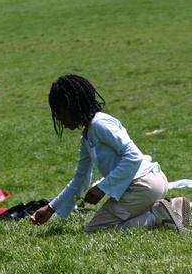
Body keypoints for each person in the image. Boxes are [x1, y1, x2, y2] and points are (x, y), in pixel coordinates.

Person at [30, 74, 190, 233]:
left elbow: (133, 156)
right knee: (103, 227)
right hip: (148, 185)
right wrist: (51, 208)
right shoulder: (87, 135)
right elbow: (80, 180)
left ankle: (157, 216)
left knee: (95, 231)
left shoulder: (100, 124)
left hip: (143, 186)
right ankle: (171, 207)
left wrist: (103, 187)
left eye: (59, 112)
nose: (58, 118)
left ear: (72, 106)